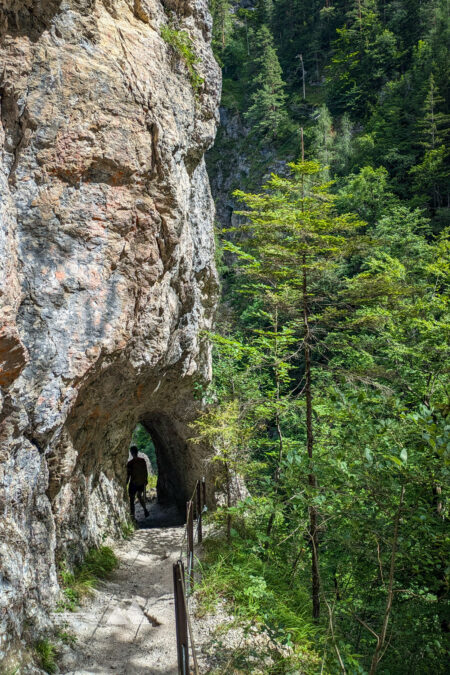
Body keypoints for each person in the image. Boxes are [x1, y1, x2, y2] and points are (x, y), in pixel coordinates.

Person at [127, 445, 149, 520]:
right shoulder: (142, 461)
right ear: (137, 452)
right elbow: (145, 471)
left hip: (133, 483)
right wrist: (146, 480)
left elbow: (128, 474)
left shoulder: (130, 463)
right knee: (139, 496)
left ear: (131, 453)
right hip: (141, 482)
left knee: (132, 499)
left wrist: (126, 483)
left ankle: (132, 516)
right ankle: (145, 509)